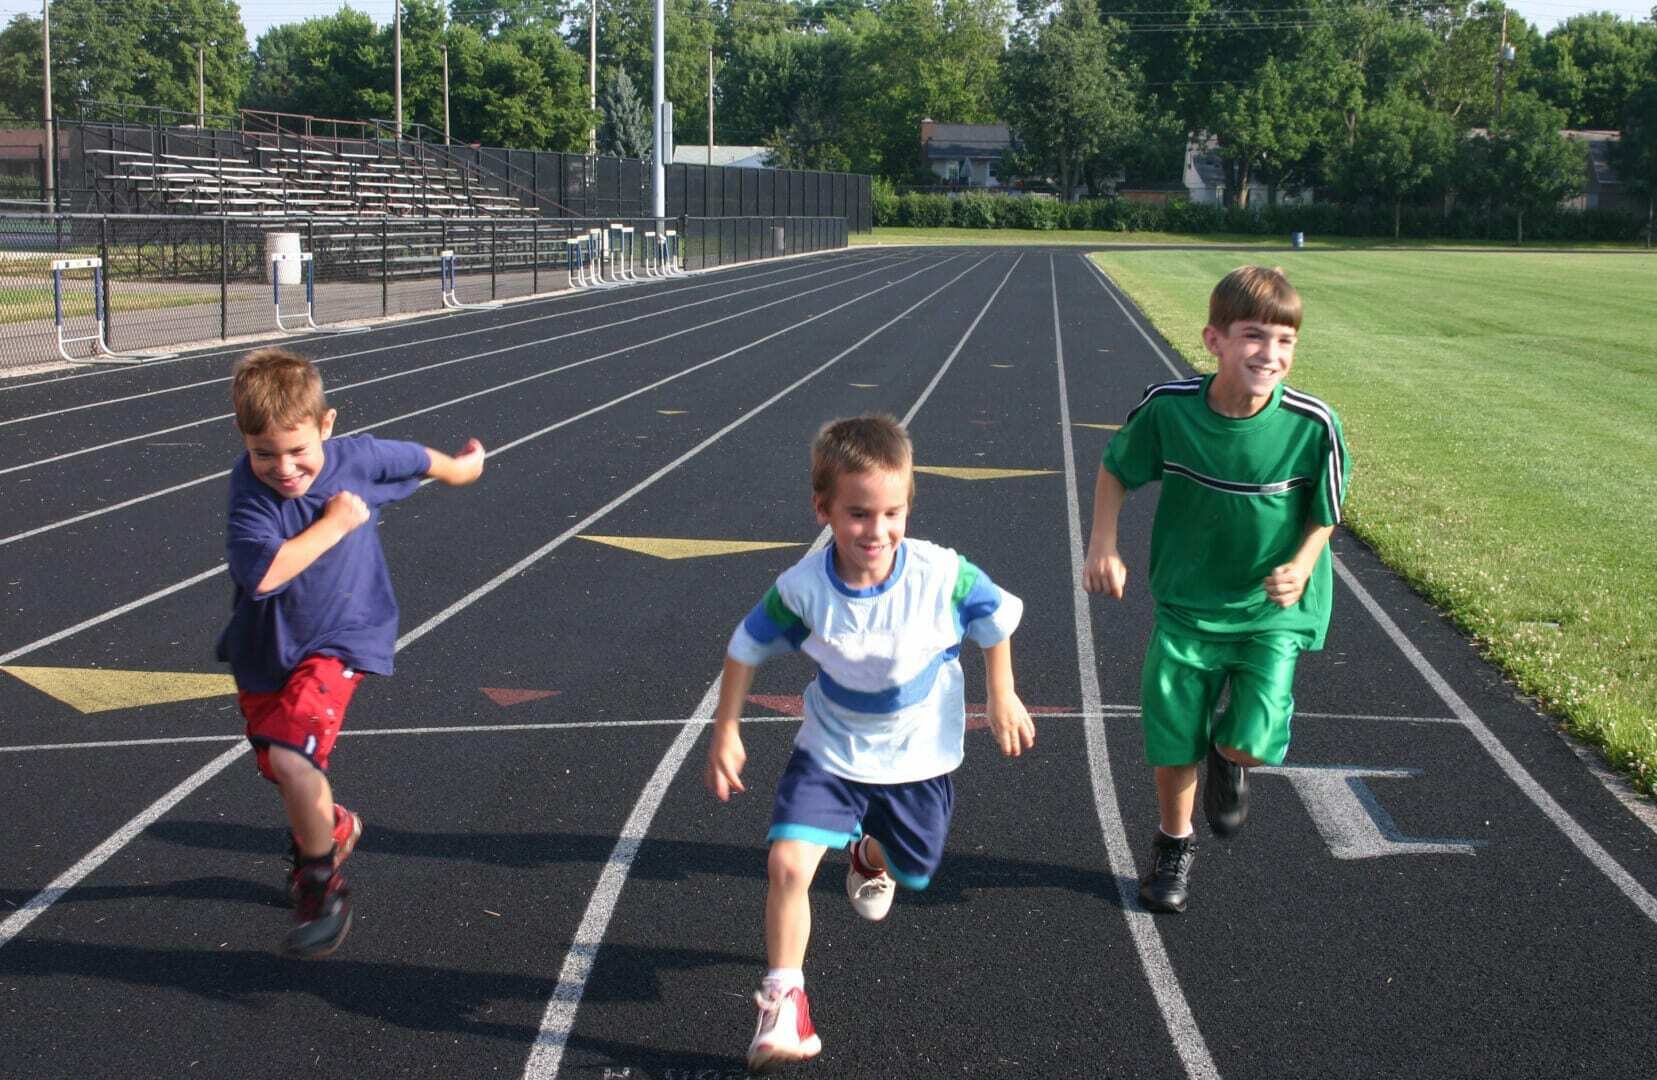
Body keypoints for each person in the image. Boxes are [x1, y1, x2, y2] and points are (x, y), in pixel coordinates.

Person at [705, 414, 1035, 1073]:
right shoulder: (800, 591)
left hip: (918, 756)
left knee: (913, 870)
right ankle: (783, 1001)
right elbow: (744, 648)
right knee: (788, 865)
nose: (876, 532)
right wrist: (725, 729)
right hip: (829, 750)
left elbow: (994, 618)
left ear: (908, 507)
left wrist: (1002, 693)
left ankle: (868, 852)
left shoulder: (940, 574)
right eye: (857, 514)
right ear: (822, 509)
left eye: (891, 513)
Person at [1082, 265, 1349, 915]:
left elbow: (1327, 509)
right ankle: (1173, 846)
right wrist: (1102, 543)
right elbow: (1116, 469)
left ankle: (1229, 760)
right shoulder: (1169, 409)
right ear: (1213, 340)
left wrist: (1304, 561)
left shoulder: (1312, 425)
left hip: (1270, 609)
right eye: (1254, 337)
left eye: (1285, 341)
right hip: (1186, 605)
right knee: (1172, 740)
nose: (1270, 355)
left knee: (1248, 740)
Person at [217, 347, 485, 958]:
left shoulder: (355, 457)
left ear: (326, 426)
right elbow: (264, 576)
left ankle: (322, 887)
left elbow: (419, 459)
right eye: (264, 453)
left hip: (342, 636)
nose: (284, 469)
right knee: (282, 768)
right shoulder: (250, 494)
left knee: (292, 757)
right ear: (243, 439)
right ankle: (333, 827)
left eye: (297, 451)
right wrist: (335, 524)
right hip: (268, 647)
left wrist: (464, 468)